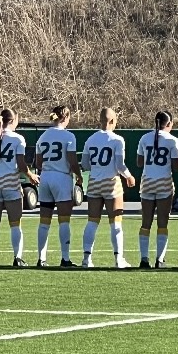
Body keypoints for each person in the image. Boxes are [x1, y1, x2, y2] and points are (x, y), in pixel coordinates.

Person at [80, 107, 136, 269]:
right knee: (116, 223)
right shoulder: (117, 140)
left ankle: (86, 259)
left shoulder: (90, 140)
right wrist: (129, 176)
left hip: (94, 183)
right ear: (112, 121)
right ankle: (119, 260)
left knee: (92, 222)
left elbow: (84, 164)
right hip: (111, 183)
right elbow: (119, 165)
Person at [0, 108, 39, 268]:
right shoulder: (18, 139)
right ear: (14, 120)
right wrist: (31, 176)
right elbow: (21, 165)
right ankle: (17, 258)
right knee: (15, 224)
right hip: (11, 185)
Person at [34, 105, 82, 269]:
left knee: (44, 222)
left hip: (46, 177)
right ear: (65, 117)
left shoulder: (42, 137)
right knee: (64, 221)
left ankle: (41, 259)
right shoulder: (68, 136)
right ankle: (65, 258)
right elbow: (72, 160)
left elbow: (38, 162)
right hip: (61, 178)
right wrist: (79, 175)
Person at [136, 111, 178, 268]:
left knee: (145, 223)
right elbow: (176, 167)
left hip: (147, 182)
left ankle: (144, 259)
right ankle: (160, 260)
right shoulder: (172, 140)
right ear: (169, 124)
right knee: (162, 223)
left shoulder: (144, 138)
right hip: (164, 183)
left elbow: (139, 163)